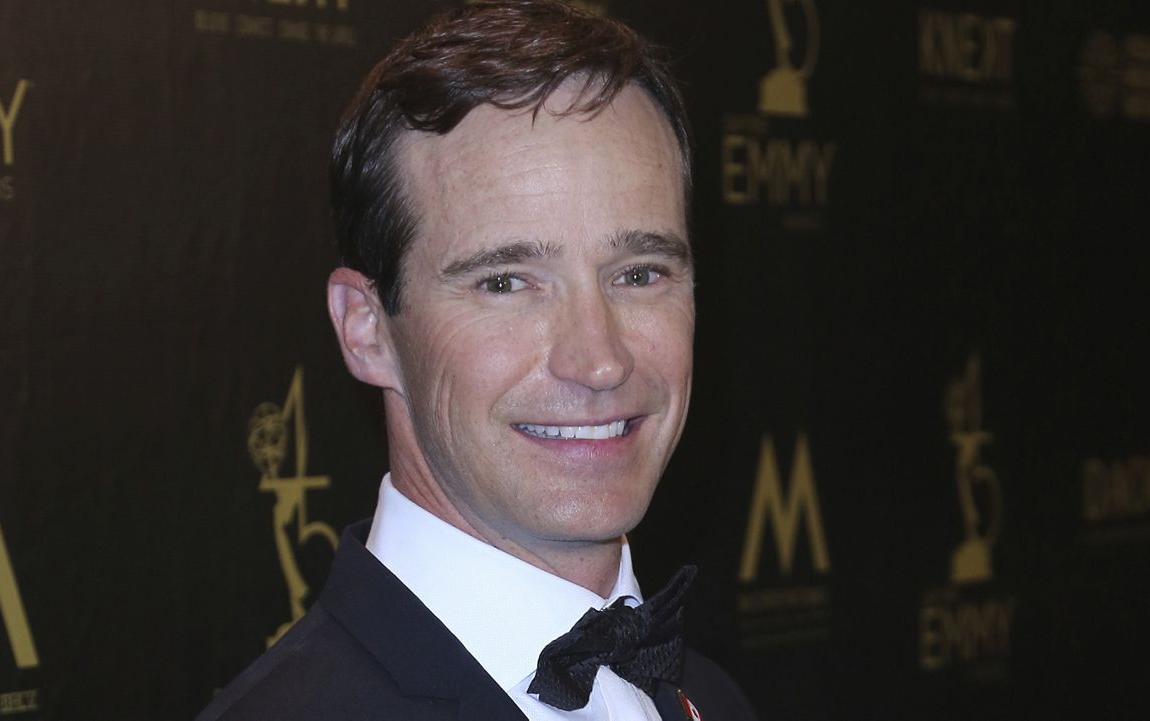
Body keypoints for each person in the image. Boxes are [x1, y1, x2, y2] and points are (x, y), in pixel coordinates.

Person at [198, 2, 758, 719]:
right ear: (367, 330)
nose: (600, 361)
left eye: (640, 273)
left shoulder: (714, 701)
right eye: (506, 282)